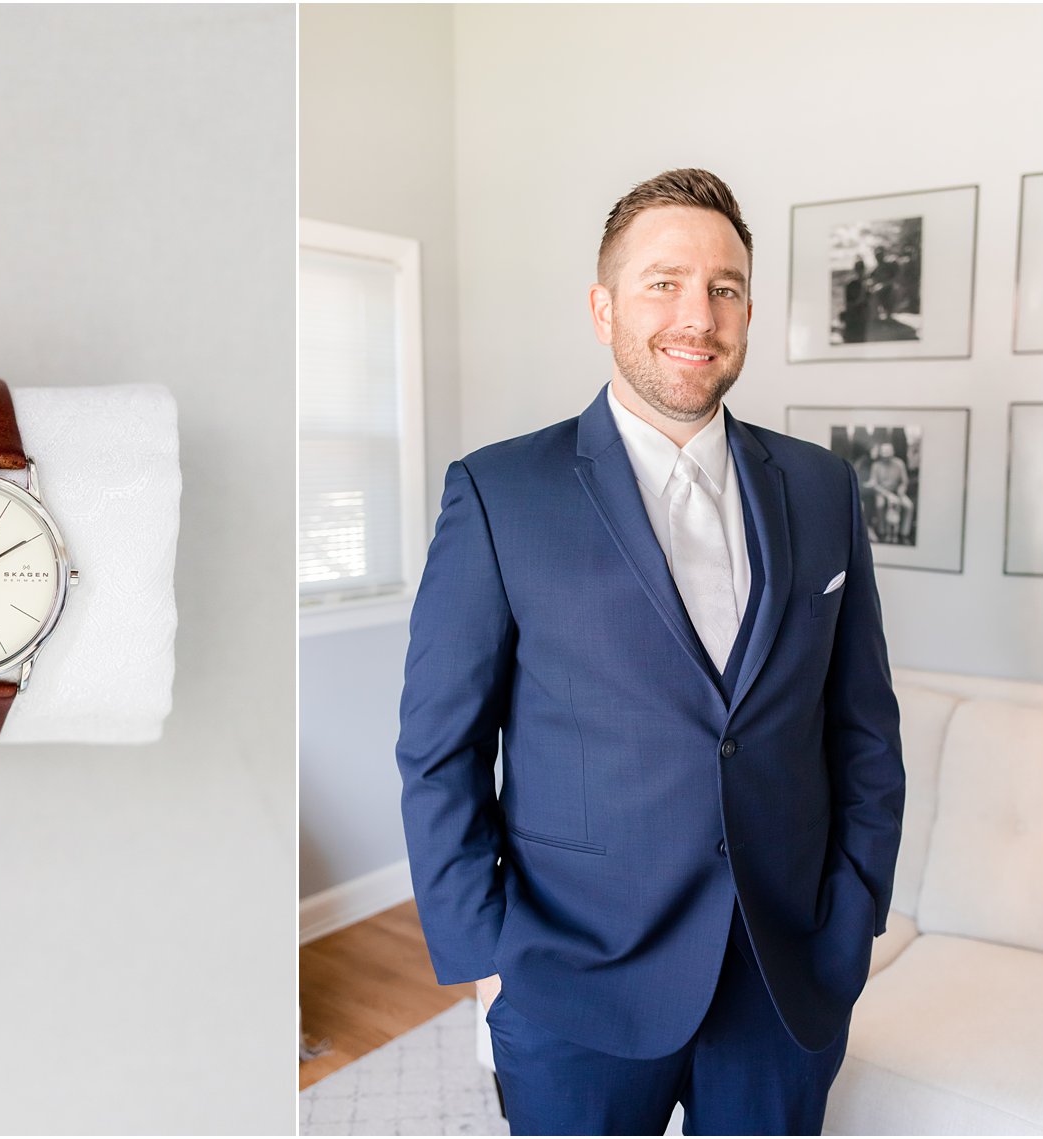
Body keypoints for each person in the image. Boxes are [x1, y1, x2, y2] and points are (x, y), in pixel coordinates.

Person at [395, 168, 904, 1136]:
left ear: (747, 309)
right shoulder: (500, 493)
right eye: (661, 282)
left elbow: (862, 733)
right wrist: (490, 948)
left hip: (780, 980)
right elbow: (437, 748)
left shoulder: (822, 488)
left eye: (722, 288)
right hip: (576, 983)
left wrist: (849, 924)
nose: (695, 315)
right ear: (602, 306)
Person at [865, 441, 915, 544]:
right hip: (882, 492)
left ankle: (904, 533)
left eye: (888, 455)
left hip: (897, 492)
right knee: (880, 505)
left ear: (893, 453)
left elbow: (904, 481)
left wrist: (901, 490)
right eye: (884, 455)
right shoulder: (876, 465)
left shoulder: (899, 463)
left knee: (909, 506)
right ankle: (882, 532)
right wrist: (887, 495)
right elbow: (874, 484)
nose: (886, 458)